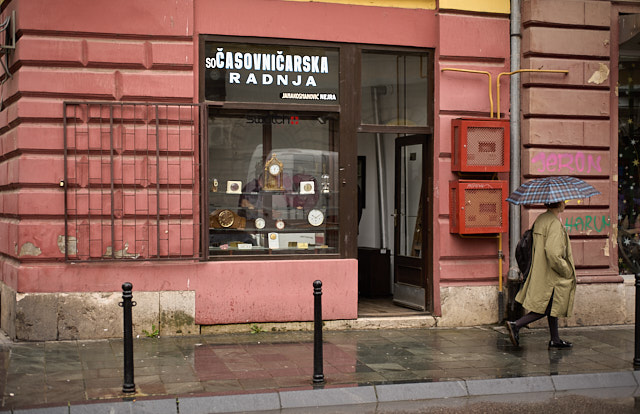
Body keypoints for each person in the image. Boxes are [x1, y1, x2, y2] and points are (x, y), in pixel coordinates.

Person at [506, 200, 577, 349]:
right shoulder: (555, 224)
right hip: (550, 274)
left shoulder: (541, 219)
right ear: (558, 204)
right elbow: (553, 254)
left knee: (552, 304)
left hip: (540, 270)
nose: (565, 203)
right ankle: (516, 325)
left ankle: (555, 339)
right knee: (546, 307)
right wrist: (566, 270)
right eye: (563, 201)